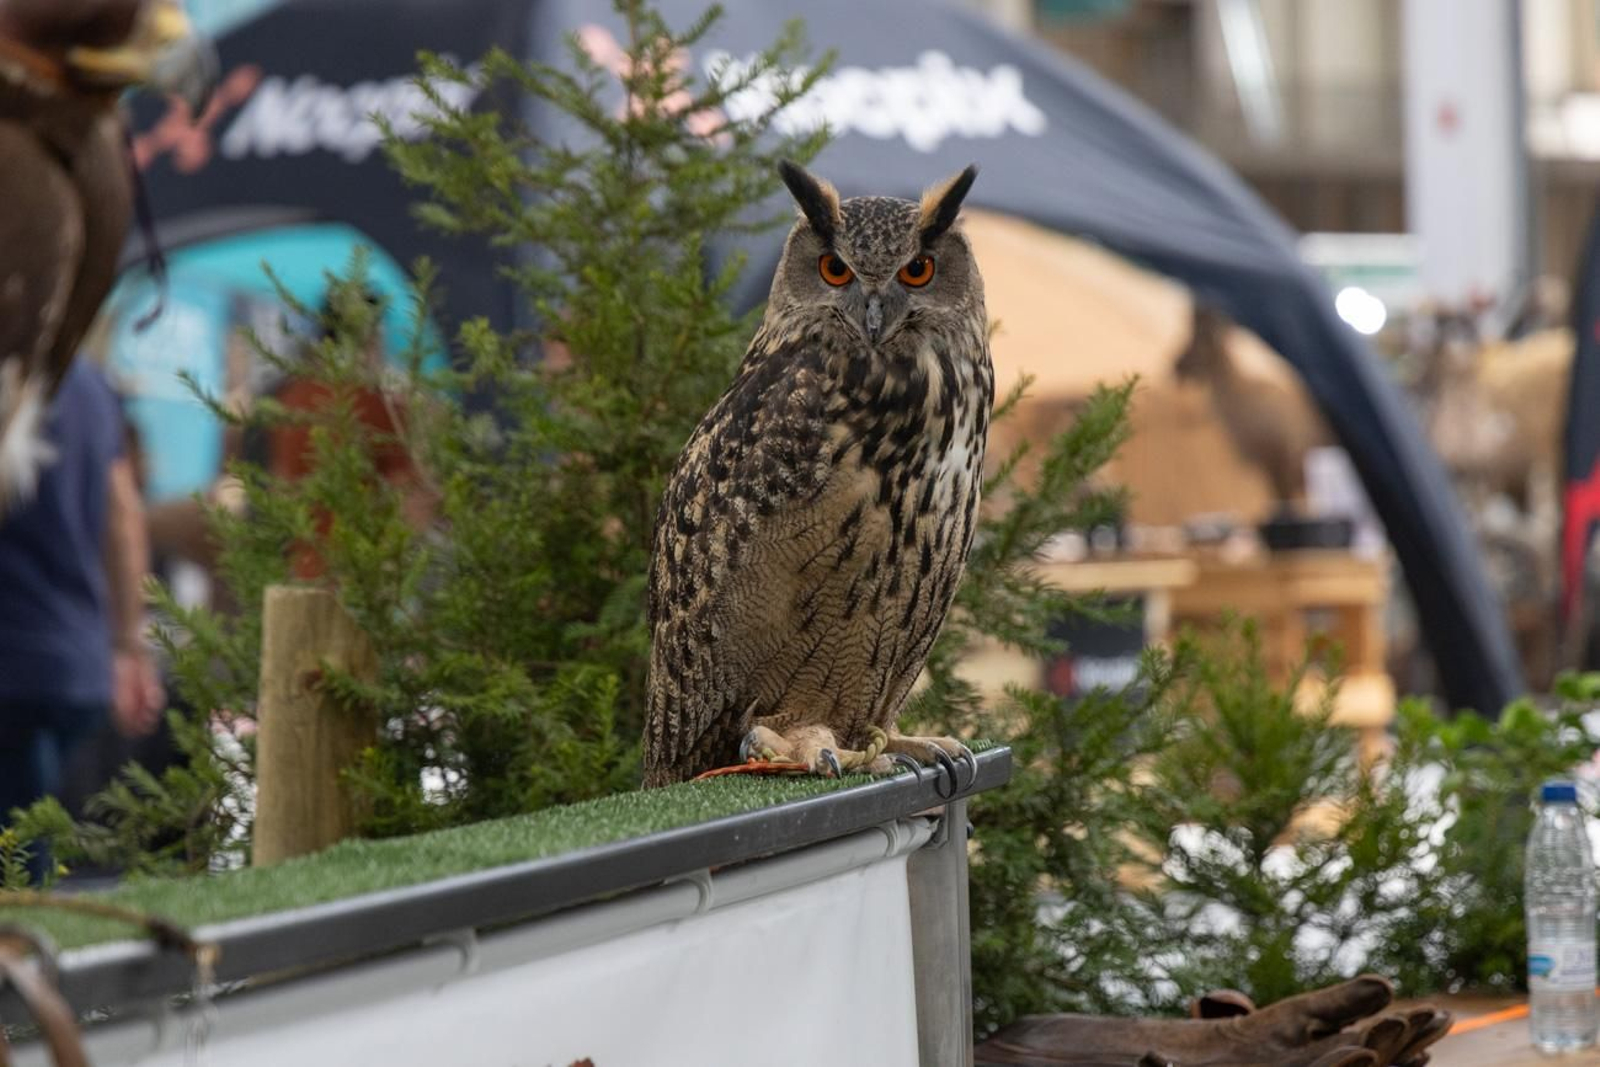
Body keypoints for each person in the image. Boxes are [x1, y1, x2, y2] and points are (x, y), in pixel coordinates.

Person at [0, 358, 163, 863]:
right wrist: (129, 646)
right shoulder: (89, 381)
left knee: (22, 855)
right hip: (76, 664)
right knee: (29, 834)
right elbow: (124, 518)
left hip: (15, 659)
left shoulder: (17, 368)